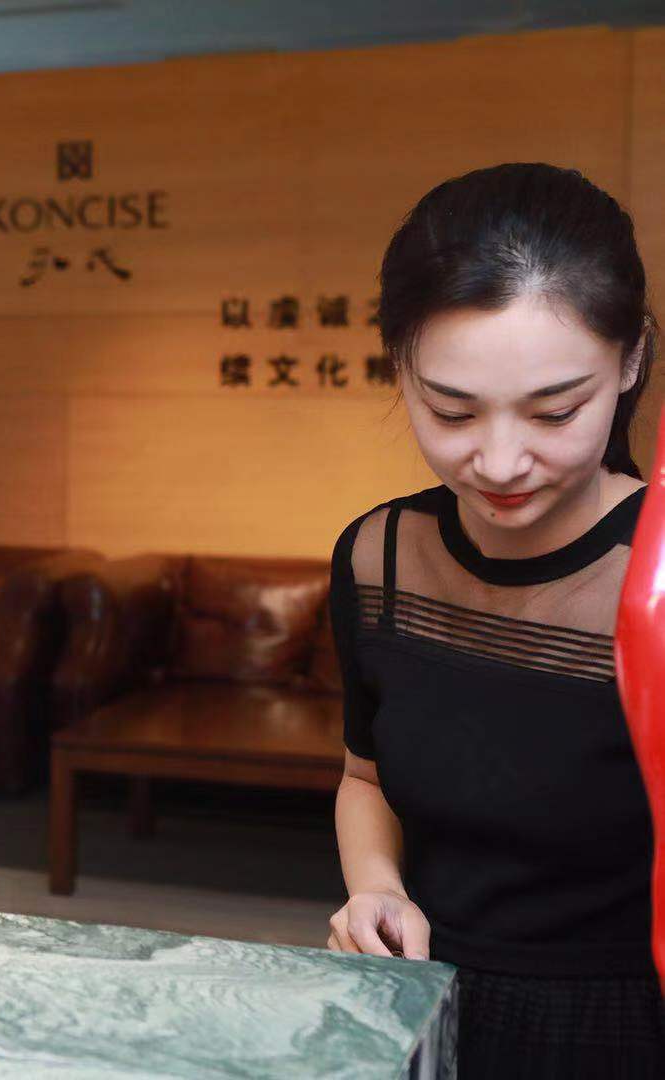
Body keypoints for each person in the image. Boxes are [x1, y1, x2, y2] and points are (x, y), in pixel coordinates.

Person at [326, 162, 665, 1075]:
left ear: (632, 360)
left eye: (555, 412)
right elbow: (365, 776)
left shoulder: (659, 576)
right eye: (452, 411)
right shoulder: (379, 558)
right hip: (419, 999)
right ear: (399, 367)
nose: (501, 462)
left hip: (621, 1022)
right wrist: (375, 889)